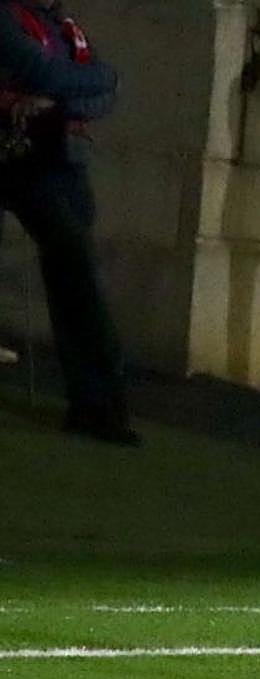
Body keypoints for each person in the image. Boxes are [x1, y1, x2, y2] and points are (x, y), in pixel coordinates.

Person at [0, 0, 137, 445]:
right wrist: (85, 85)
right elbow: (43, 72)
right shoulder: (7, 16)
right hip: (17, 155)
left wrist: (53, 101)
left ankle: (97, 403)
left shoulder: (61, 27)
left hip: (55, 160)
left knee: (77, 279)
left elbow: (104, 91)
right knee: (75, 271)